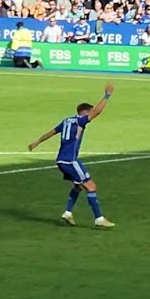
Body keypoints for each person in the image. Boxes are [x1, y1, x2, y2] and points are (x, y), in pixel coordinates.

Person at [27, 83, 117, 228]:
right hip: (70, 161)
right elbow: (98, 112)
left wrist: (37, 142)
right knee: (91, 187)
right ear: (85, 112)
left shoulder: (66, 121)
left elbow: (51, 132)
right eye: (90, 112)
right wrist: (107, 95)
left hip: (61, 160)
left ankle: (68, 213)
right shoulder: (81, 120)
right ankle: (99, 218)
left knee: (78, 186)